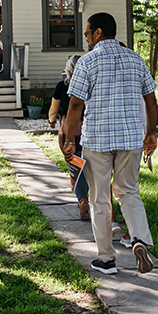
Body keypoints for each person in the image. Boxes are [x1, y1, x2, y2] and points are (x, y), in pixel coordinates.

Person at [65, 12, 158, 275]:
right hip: (131, 139)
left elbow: (75, 104)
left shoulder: (87, 62)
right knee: (129, 191)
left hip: (98, 139)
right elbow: (150, 99)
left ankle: (106, 259)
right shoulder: (135, 59)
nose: (86, 38)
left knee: (100, 198)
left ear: (97, 33)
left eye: (87, 33)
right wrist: (150, 132)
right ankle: (139, 239)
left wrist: (71, 140)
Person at [48, 55, 90, 220]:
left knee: (75, 166)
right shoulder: (89, 85)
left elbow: (53, 109)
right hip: (88, 127)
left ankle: (82, 200)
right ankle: (89, 198)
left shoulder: (61, 86)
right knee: (89, 166)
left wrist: (51, 121)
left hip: (68, 130)